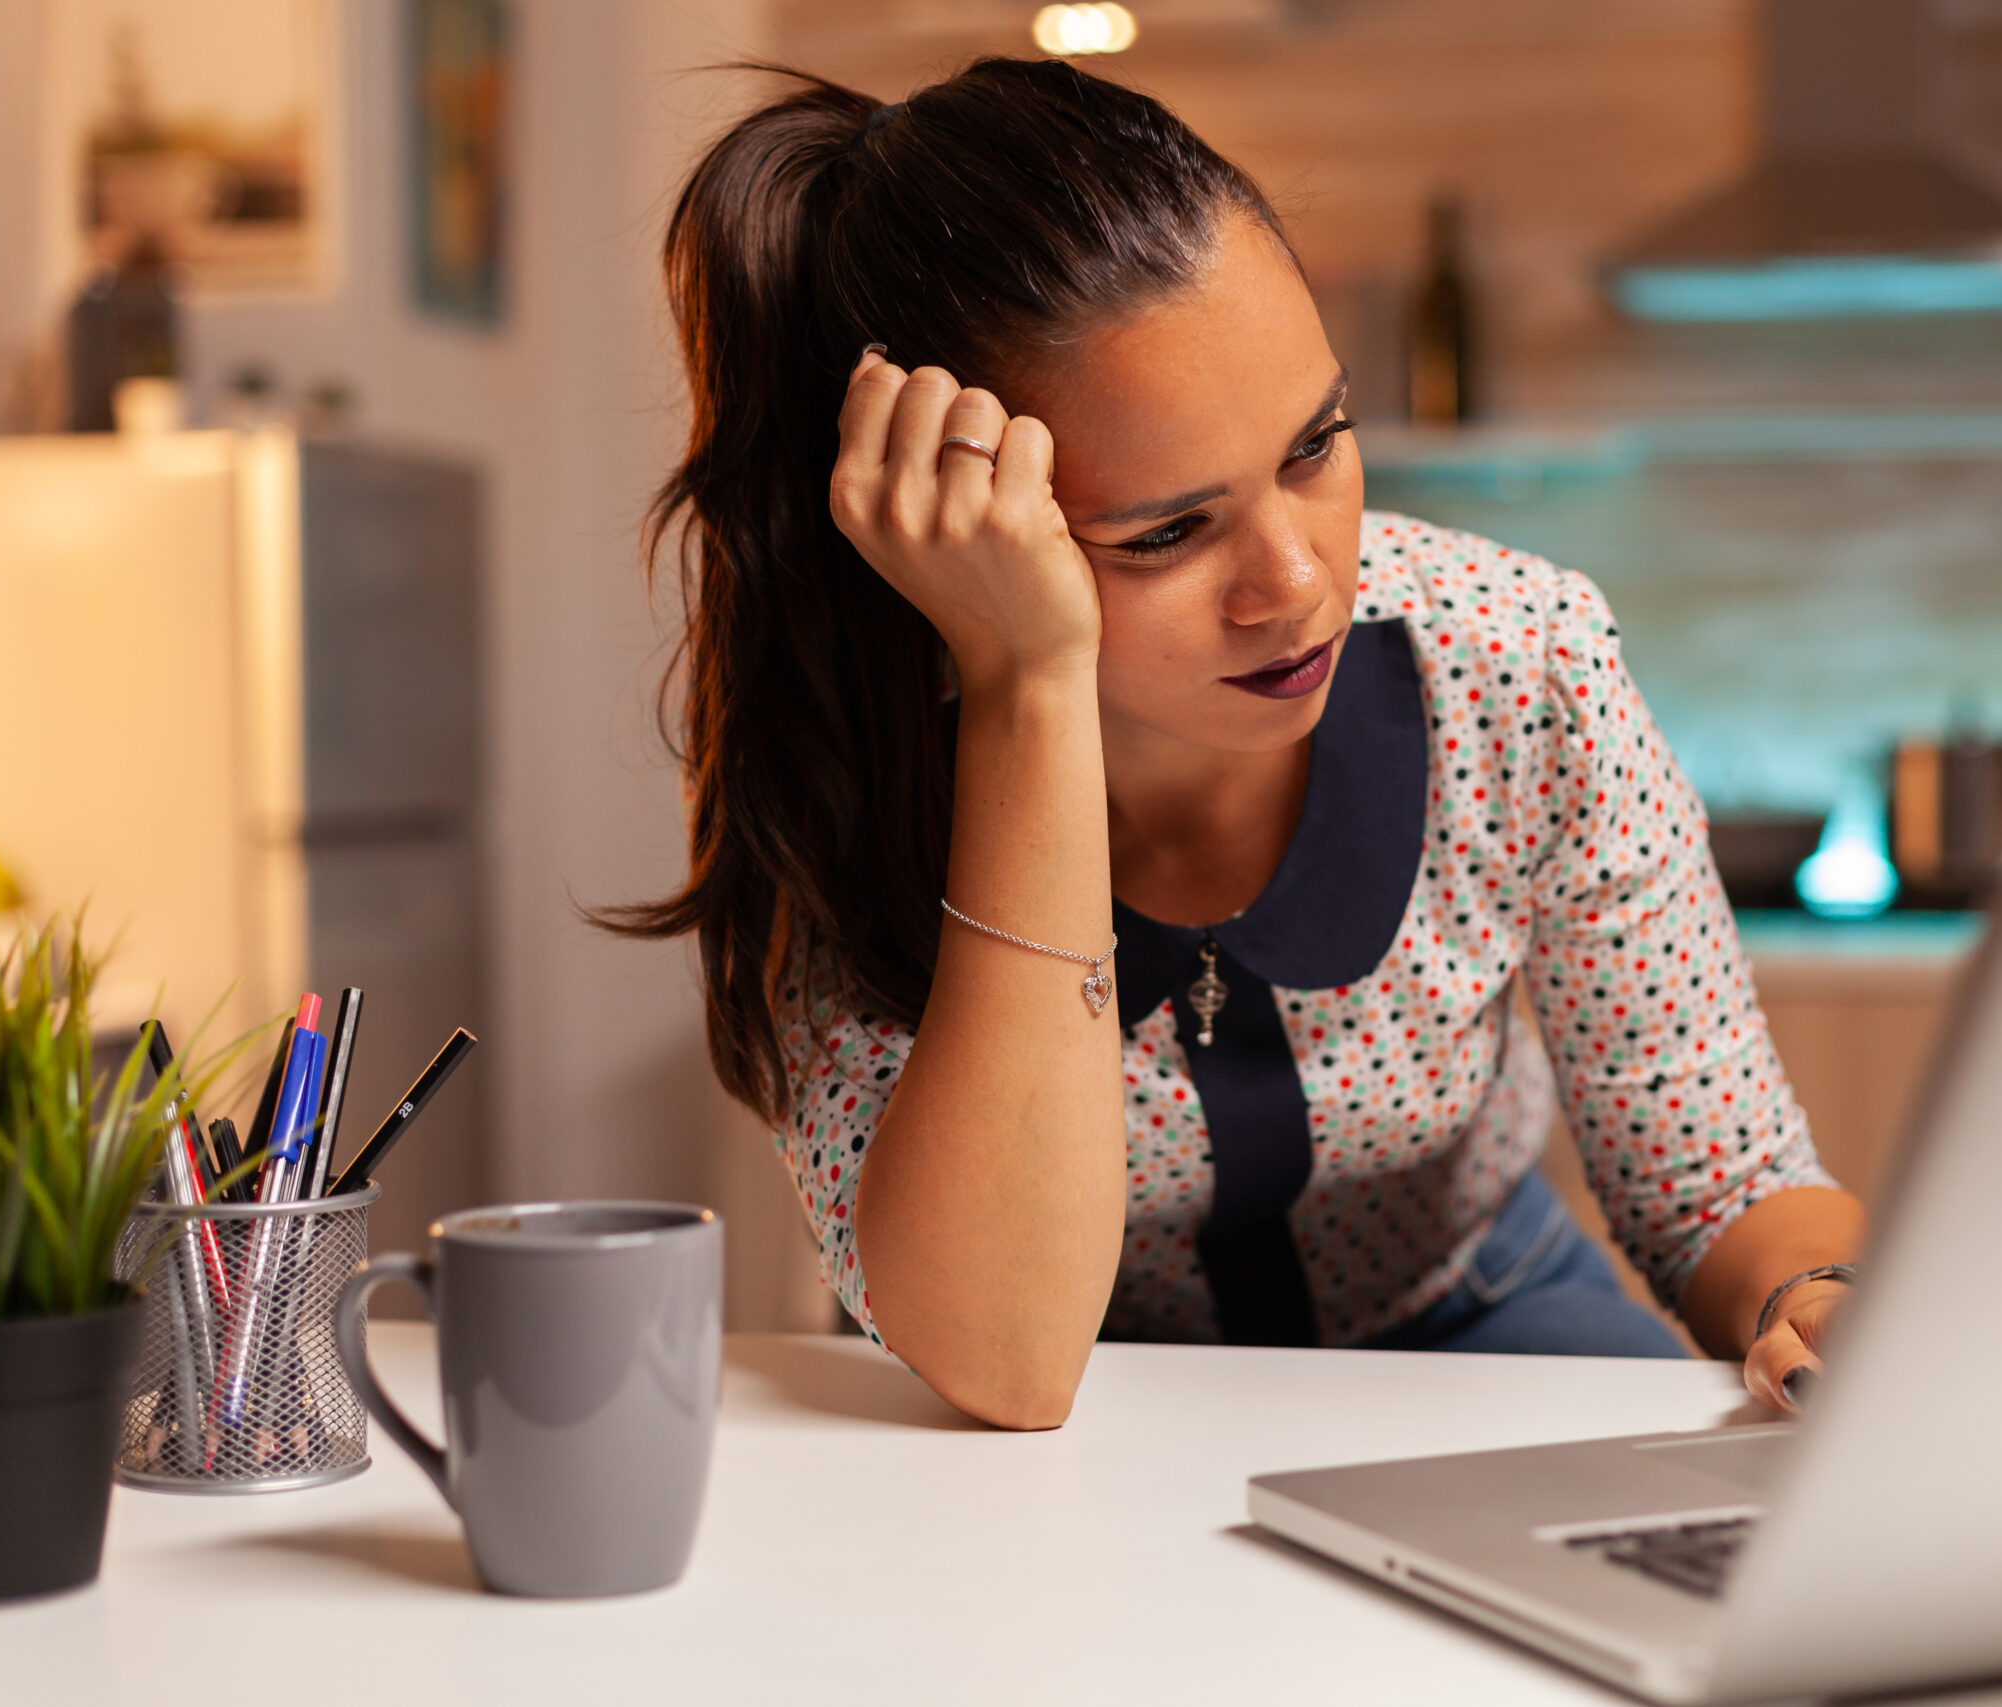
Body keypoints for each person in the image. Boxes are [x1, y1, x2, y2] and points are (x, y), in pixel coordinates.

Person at [609, 58, 1866, 1430]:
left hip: (1481, 1317)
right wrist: (1029, 681)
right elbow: (1007, 1356)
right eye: (1164, 533)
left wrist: (1818, 1297)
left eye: (1317, 445)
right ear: (949, 522)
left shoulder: (1522, 663)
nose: (1297, 582)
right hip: (1070, 1399)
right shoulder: (852, 764)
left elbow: (1724, 1182)